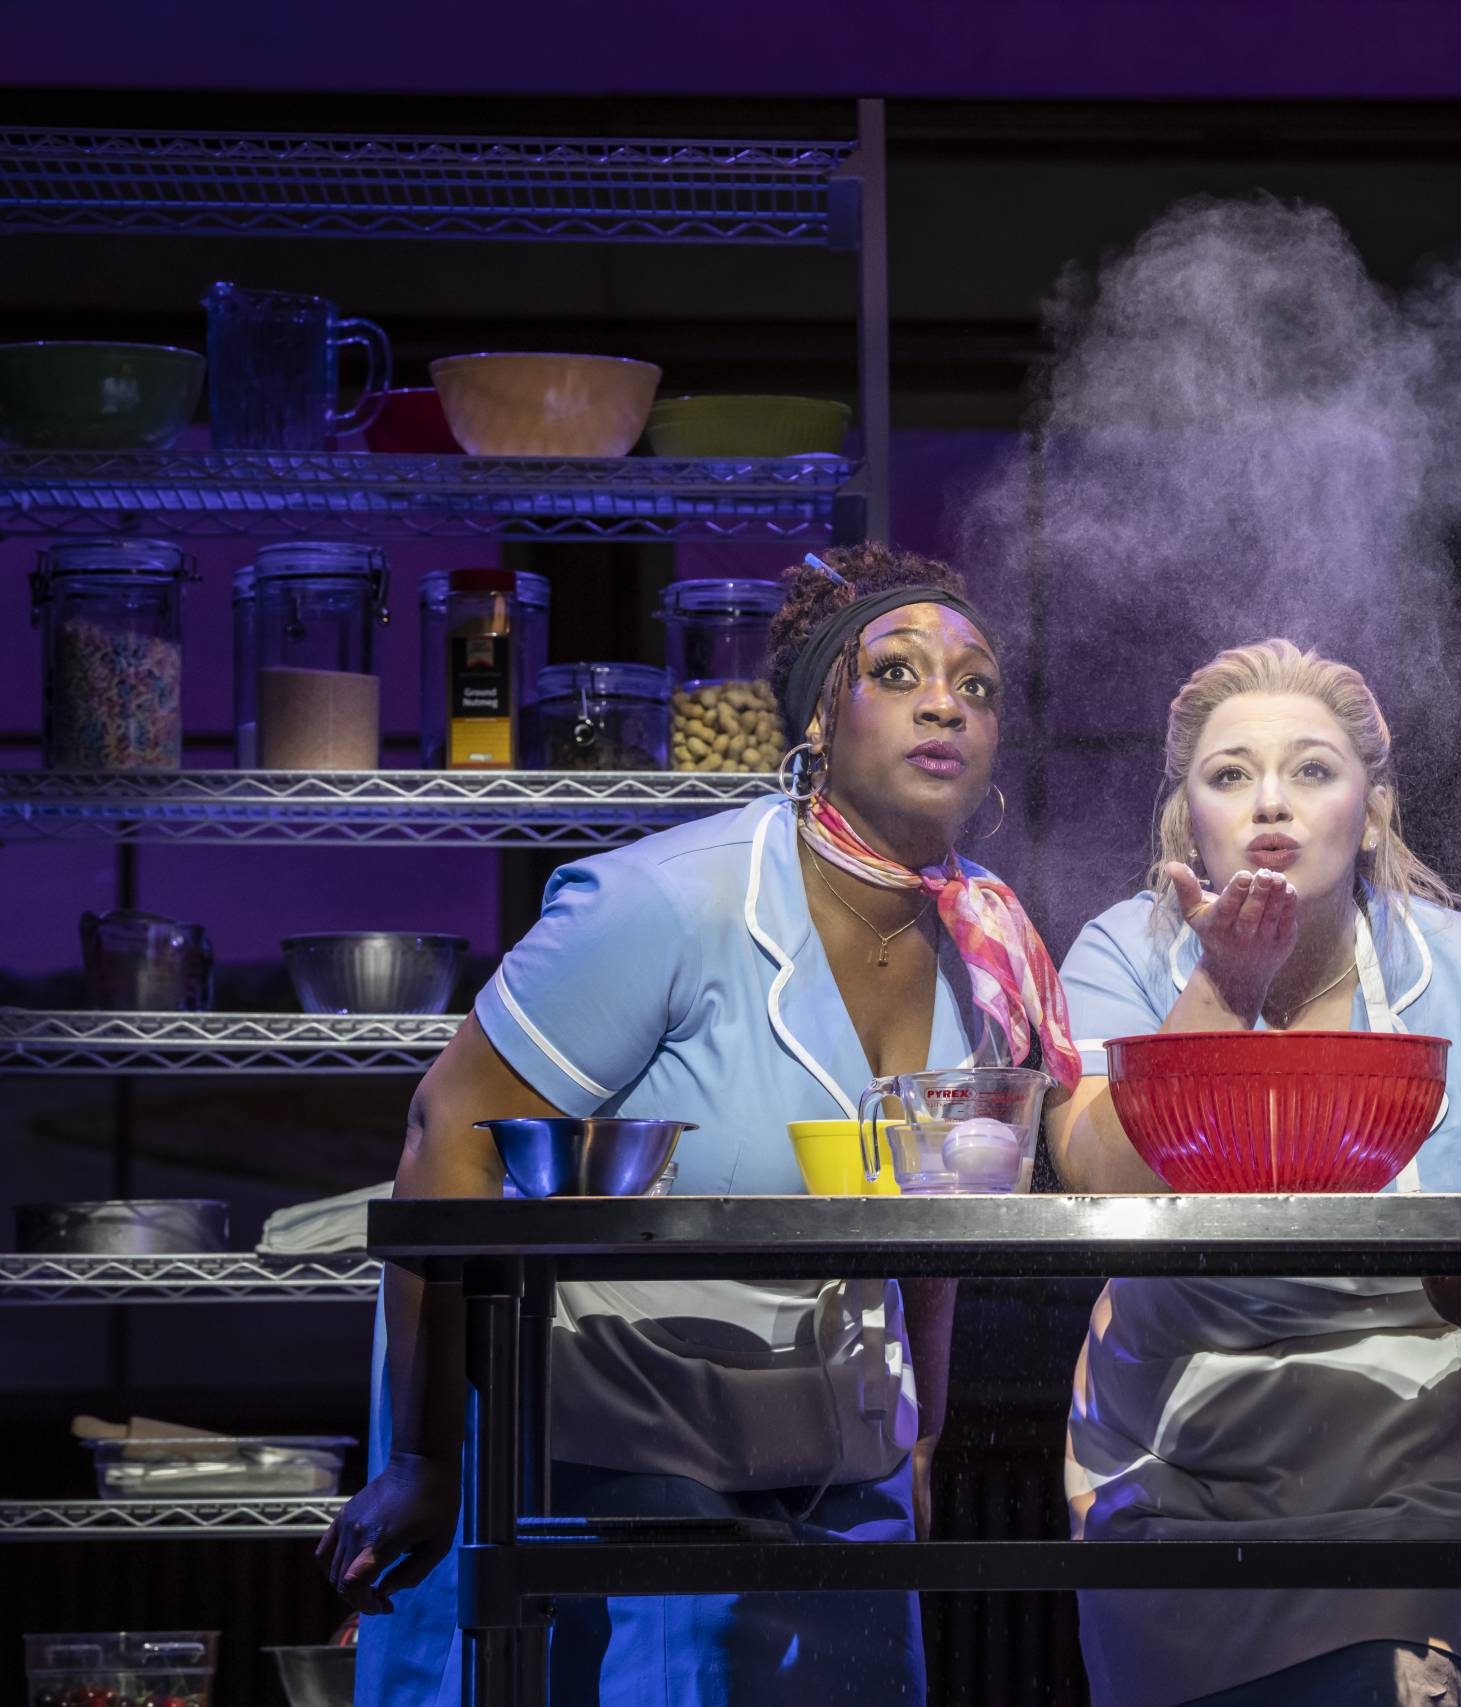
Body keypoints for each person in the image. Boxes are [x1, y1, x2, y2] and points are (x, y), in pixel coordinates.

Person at [317, 545, 1078, 1707]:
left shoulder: (984, 956)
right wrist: (423, 1456)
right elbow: (449, 1130)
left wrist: (920, 1443)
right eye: (897, 672)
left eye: (975, 686)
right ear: (817, 720)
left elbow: (933, 1225)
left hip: (843, 1468)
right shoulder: (668, 904)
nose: (946, 703)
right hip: (626, 1469)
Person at [1047, 638, 1461, 1707]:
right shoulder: (1122, 953)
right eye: (1229, 774)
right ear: (1186, 820)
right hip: (1180, 1460)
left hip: (1441, 1462)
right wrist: (1222, 986)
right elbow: (1097, 1169)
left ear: (1373, 811)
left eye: (1310, 769)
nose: (1270, 802)